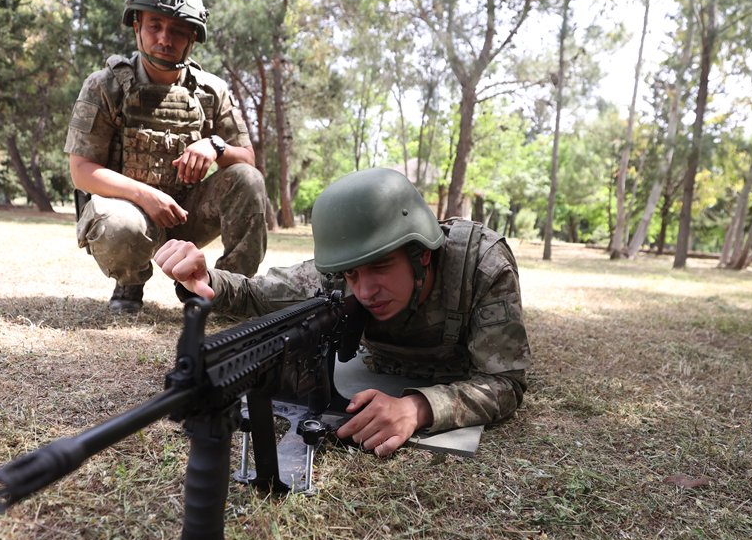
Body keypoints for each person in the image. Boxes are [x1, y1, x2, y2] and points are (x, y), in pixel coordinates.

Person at [155, 168, 531, 457]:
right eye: (352, 272)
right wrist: (206, 278)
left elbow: (504, 383)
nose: (364, 290)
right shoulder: (342, 273)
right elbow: (258, 295)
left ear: (423, 255)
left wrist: (417, 408)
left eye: (381, 267)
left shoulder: (481, 266)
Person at [64, 0, 267, 313]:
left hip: (185, 215)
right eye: (154, 26)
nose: (164, 39)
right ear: (136, 26)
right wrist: (146, 195)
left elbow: (246, 159)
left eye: (177, 31)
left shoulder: (211, 91)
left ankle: (220, 289)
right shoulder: (105, 86)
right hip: (129, 216)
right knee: (119, 224)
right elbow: (81, 171)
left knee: (250, 180)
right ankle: (129, 283)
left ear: (192, 38)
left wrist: (215, 145)